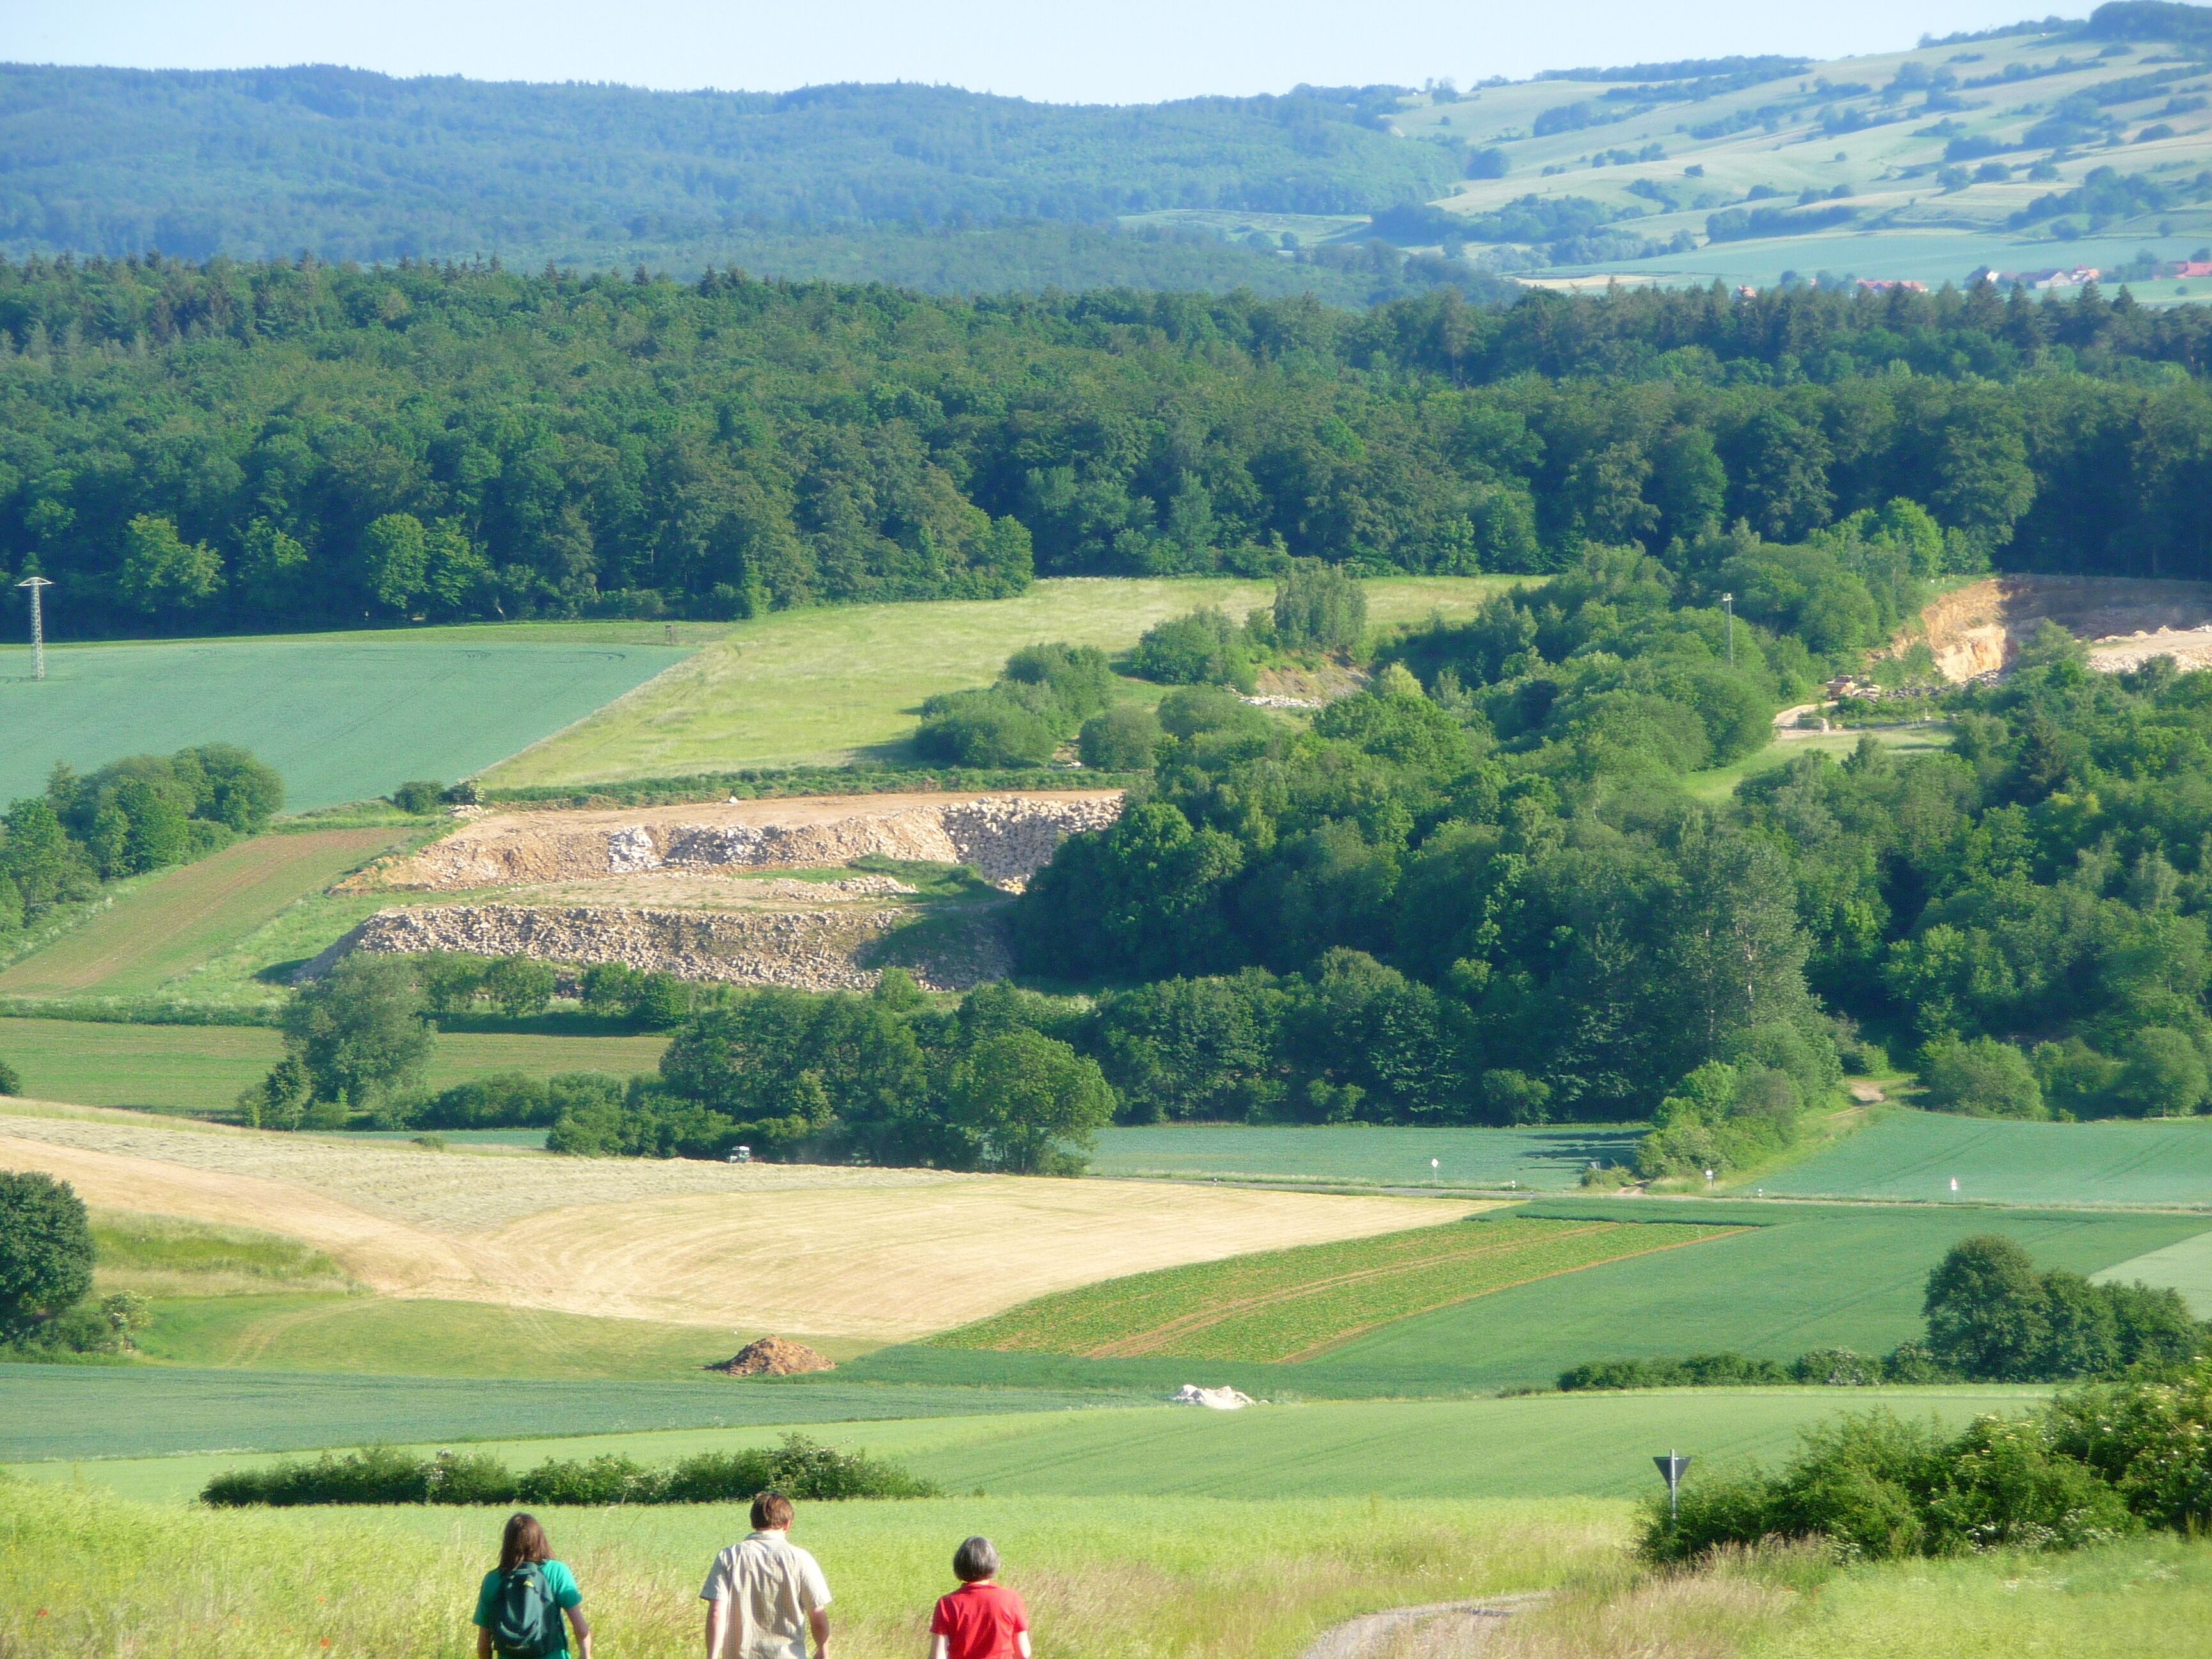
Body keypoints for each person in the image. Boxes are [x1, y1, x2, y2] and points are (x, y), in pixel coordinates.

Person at [701, 1490, 834, 1659]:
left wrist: (712, 1656)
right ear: (788, 1524)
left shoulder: (729, 1557)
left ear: (753, 1521)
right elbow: (817, 1615)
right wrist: (823, 1651)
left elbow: (717, 1613)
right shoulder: (801, 1559)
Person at [475, 1513, 591, 1659]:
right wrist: (586, 1655)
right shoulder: (556, 1571)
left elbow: (484, 1643)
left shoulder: (493, 1580)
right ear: (539, 1539)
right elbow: (581, 1629)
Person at [930, 1537, 1030, 1659]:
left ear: (959, 1564)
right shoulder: (1011, 1599)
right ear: (994, 1563)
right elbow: (1024, 1653)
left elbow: (938, 1656)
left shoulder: (947, 1603)